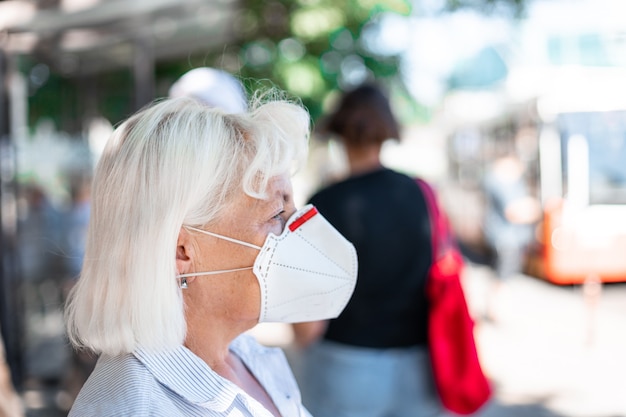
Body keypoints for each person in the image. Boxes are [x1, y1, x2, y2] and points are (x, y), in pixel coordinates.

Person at [64, 93, 357, 416]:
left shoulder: (248, 355)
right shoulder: (133, 407)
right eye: (276, 215)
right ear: (181, 252)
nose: (295, 231)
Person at [292, 83, 445, 417]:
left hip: (346, 366)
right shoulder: (419, 192)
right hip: (419, 366)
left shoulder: (324, 204)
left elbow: (308, 325)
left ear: (340, 132)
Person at [482, 151, 540, 321]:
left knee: (502, 276)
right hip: (507, 239)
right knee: (503, 276)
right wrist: (532, 209)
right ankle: (495, 310)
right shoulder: (499, 182)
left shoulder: (505, 181)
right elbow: (514, 211)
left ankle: (494, 309)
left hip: (508, 238)